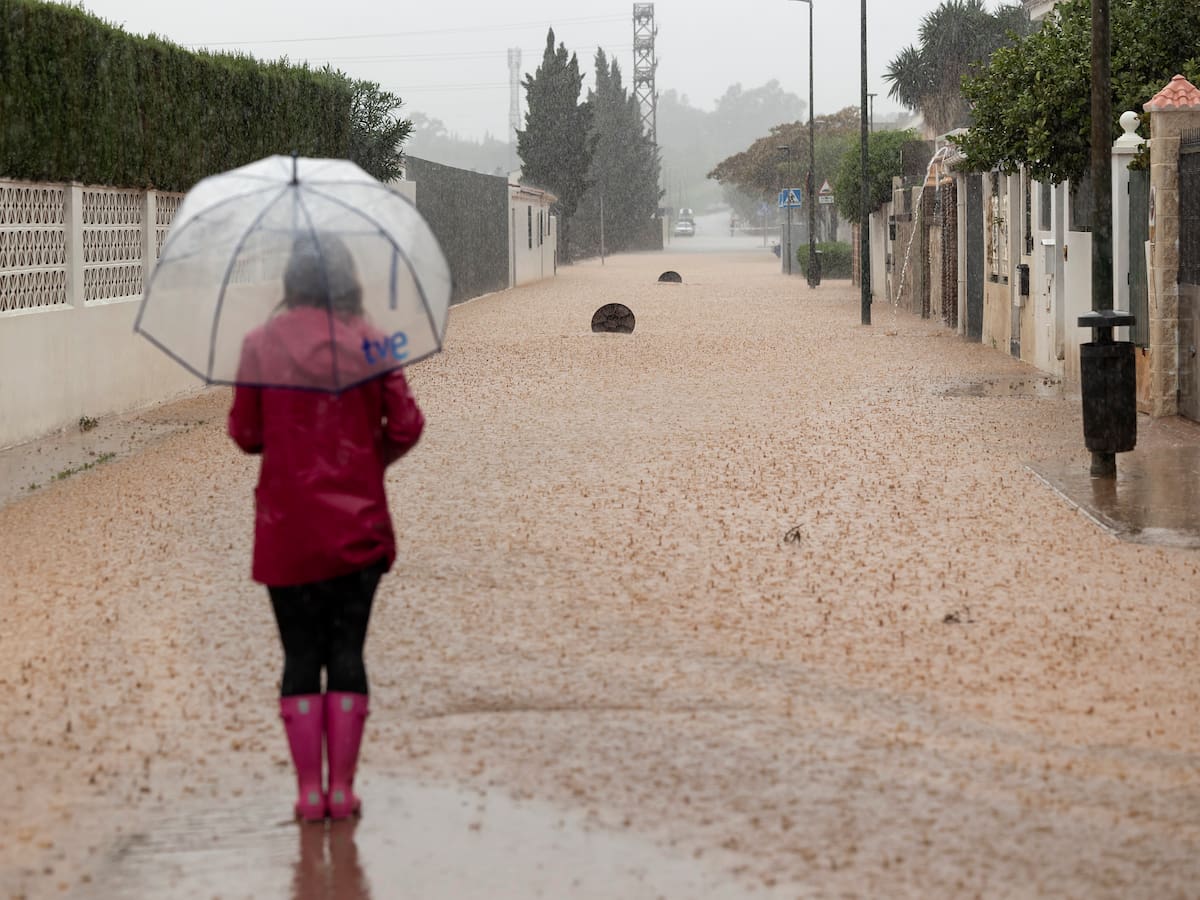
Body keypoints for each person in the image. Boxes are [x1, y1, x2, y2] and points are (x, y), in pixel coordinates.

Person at [228, 233, 425, 822]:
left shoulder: (260, 345)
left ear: (292, 281)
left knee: (299, 656)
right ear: (347, 281)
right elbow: (407, 425)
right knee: (346, 651)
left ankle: (308, 796)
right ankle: (342, 790)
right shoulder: (372, 342)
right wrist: (367, 460)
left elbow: (246, 434)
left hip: (287, 533)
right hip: (358, 531)